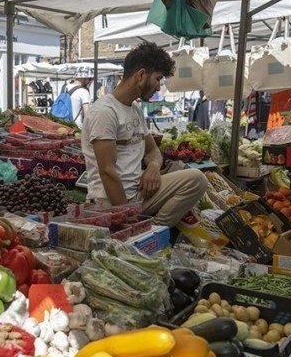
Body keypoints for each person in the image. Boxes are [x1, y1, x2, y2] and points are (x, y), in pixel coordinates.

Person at [81, 42, 208, 241]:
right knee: (194, 179)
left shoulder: (135, 110)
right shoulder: (105, 111)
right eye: (157, 79)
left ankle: (152, 230)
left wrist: (153, 168)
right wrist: (125, 216)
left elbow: (153, 151)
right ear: (140, 75)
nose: (158, 86)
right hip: (109, 201)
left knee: (196, 179)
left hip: (139, 194)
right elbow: (107, 171)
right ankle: (139, 232)